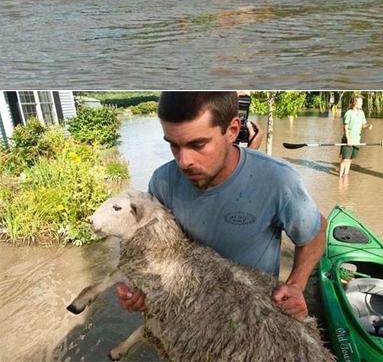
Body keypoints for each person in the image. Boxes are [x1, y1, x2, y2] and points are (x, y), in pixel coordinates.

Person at [117, 92, 327, 322]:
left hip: (253, 311)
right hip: (190, 307)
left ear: (232, 130)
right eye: (174, 146)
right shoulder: (162, 182)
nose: (184, 161)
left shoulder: (277, 180)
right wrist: (138, 287)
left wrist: (296, 284)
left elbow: (314, 231)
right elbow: (154, 246)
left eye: (198, 144)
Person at [339, 95, 373, 177]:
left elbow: (363, 125)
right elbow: (345, 128)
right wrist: (348, 139)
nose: (362, 104)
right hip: (348, 140)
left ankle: (346, 175)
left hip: (356, 140)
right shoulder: (348, 113)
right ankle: (340, 176)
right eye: (360, 102)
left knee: (350, 159)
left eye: (362, 102)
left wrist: (368, 126)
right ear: (355, 102)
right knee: (345, 159)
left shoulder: (361, 113)